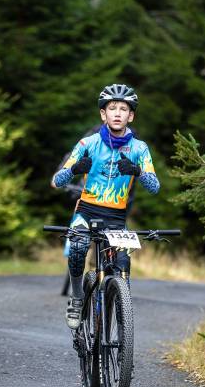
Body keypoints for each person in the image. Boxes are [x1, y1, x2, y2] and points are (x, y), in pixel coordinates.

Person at [51, 84, 159, 329]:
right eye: (112, 108)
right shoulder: (87, 143)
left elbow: (154, 187)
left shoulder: (139, 148)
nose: (118, 113)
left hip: (116, 217)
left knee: (123, 264)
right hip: (86, 211)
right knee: (78, 247)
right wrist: (74, 169)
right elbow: (57, 181)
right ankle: (77, 297)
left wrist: (138, 171)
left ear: (131, 116)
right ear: (103, 114)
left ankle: (122, 322)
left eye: (123, 109)